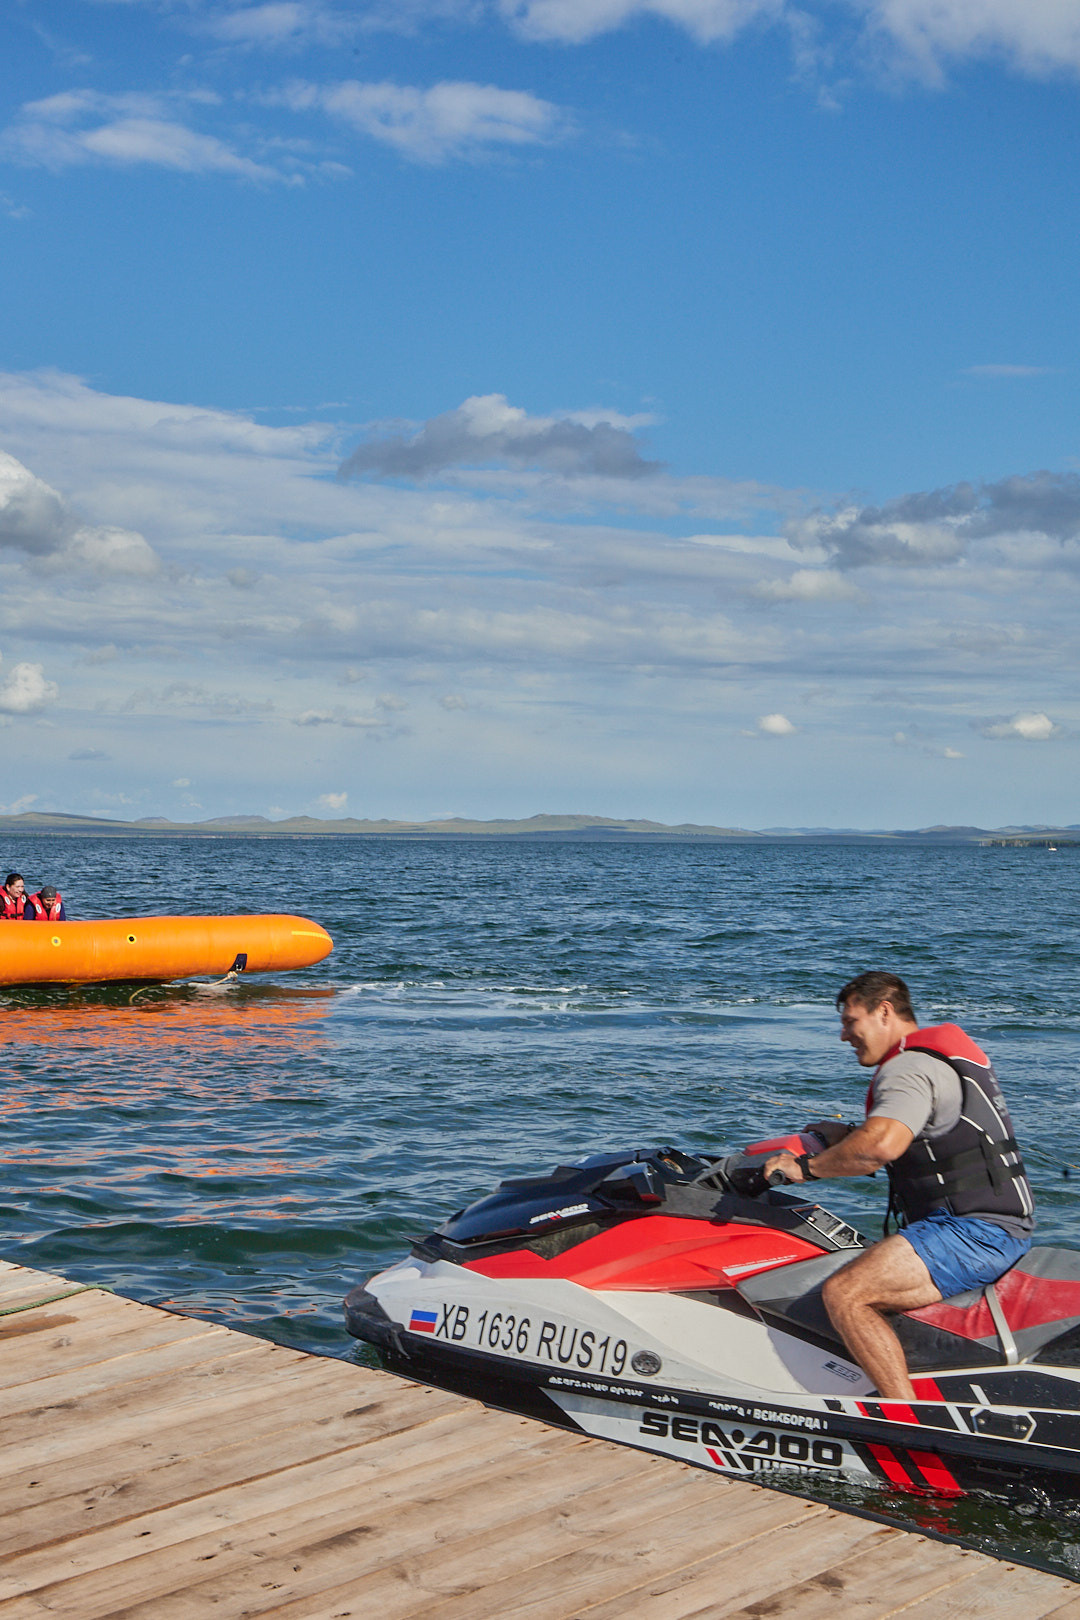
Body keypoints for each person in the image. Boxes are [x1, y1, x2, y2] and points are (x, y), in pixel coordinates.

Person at [763, 970, 1034, 1401]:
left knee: (847, 1294)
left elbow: (879, 1147)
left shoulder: (908, 1067)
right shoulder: (937, 1060)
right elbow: (918, 1139)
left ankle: (908, 1421)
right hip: (990, 1224)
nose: (843, 1035)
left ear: (884, 1011)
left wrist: (805, 1169)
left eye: (851, 1022)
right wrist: (845, 1136)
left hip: (973, 1232)